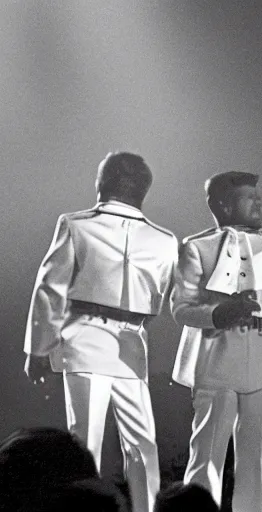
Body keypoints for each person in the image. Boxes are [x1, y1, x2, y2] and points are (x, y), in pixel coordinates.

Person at [24, 151, 178, 512]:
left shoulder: (76, 225)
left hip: (86, 337)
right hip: (131, 339)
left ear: (103, 183)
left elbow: (50, 288)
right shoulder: (165, 239)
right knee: (142, 445)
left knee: (85, 442)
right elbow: (159, 296)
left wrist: (38, 349)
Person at [170, 171, 262, 512]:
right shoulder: (196, 247)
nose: (258, 201)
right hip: (215, 360)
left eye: (257, 195)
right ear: (223, 204)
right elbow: (181, 307)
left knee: (254, 459)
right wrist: (219, 314)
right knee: (206, 454)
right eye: (248, 196)